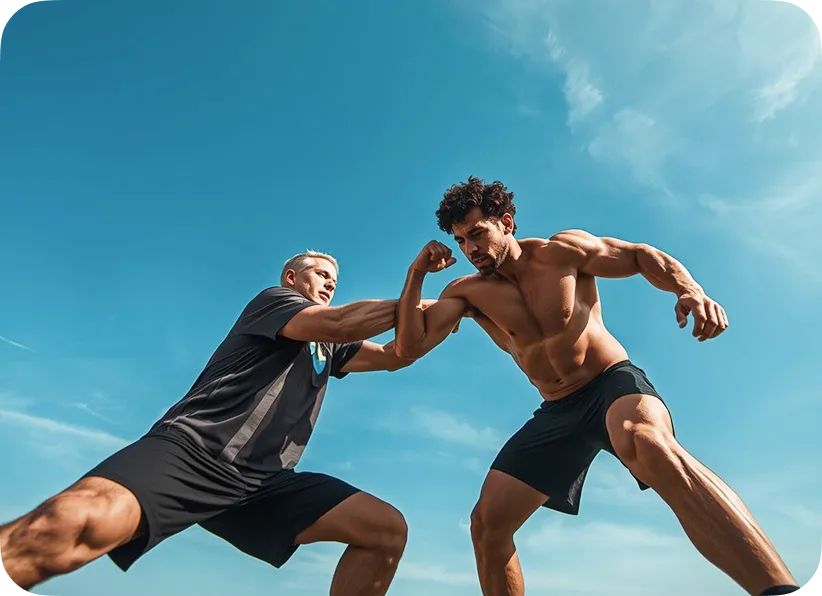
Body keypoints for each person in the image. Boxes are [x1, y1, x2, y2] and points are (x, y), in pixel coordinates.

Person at [393, 177, 801, 596]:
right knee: (487, 525)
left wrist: (689, 290)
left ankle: (778, 590)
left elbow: (640, 256)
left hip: (610, 384)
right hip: (557, 409)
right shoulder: (468, 293)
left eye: (477, 233)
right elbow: (409, 347)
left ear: (507, 223)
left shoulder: (561, 253)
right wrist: (416, 274)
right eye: (461, 241)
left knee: (646, 442)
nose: (470, 250)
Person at [0, 250, 424, 595]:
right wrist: (415, 289)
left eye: (335, 277)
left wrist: (463, 303)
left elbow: (396, 355)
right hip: (195, 450)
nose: (331, 282)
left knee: (384, 530)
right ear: (292, 279)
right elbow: (342, 320)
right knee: (74, 525)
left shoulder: (331, 348)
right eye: (320, 272)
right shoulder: (276, 302)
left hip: (263, 484)